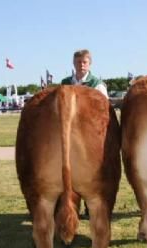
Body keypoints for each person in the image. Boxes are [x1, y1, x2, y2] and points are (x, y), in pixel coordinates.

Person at [61, 49, 108, 218]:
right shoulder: (65, 82)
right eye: (78, 62)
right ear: (73, 64)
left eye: (84, 62)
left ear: (89, 64)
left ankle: (90, 205)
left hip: (88, 135)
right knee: (70, 170)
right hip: (69, 133)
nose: (81, 65)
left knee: (89, 171)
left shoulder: (97, 84)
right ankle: (72, 205)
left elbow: (104, 110)